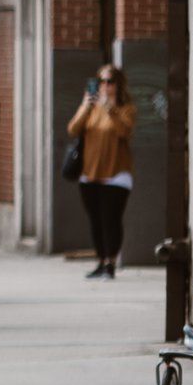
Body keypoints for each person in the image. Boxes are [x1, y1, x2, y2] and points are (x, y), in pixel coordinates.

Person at [69, 63, 137, 280]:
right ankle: (100, 260)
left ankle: (110, 262)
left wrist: (110, 108)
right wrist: (84, 106)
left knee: (111, 219)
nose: (105, 86)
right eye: (101, 82)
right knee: (96, 220)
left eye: (110, 82)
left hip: (116, 174)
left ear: (118, 85)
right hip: (90, 173)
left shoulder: (126, 109)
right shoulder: (91, 108)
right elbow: (73, 129)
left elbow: (124, 131)